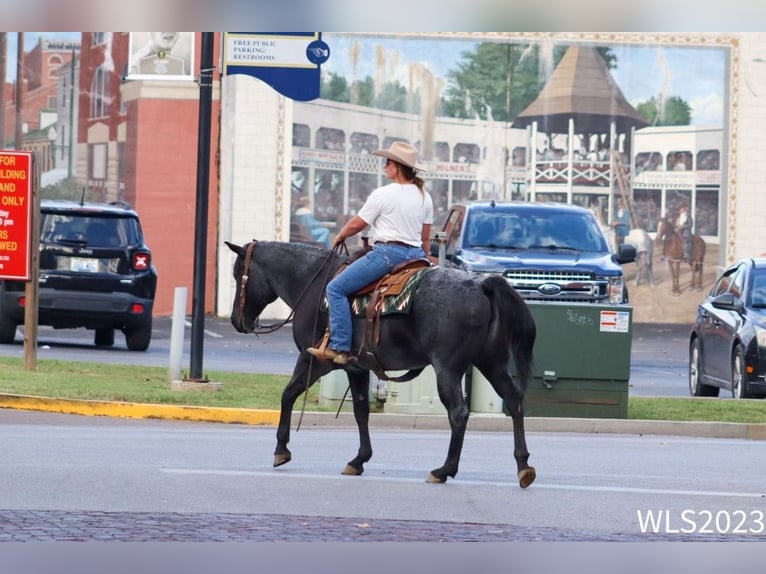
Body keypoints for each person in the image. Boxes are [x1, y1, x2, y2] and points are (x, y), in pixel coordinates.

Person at [307, 142, 433, 365]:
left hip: (388, 254)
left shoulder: (383, 194)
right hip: (416, 256)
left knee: (335, 288)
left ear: (397, 167)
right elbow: (425, 238)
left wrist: (340, 236)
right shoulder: (425, 196)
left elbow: (358, 223)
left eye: (388, 163)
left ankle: (340, 347)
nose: (384, 166)